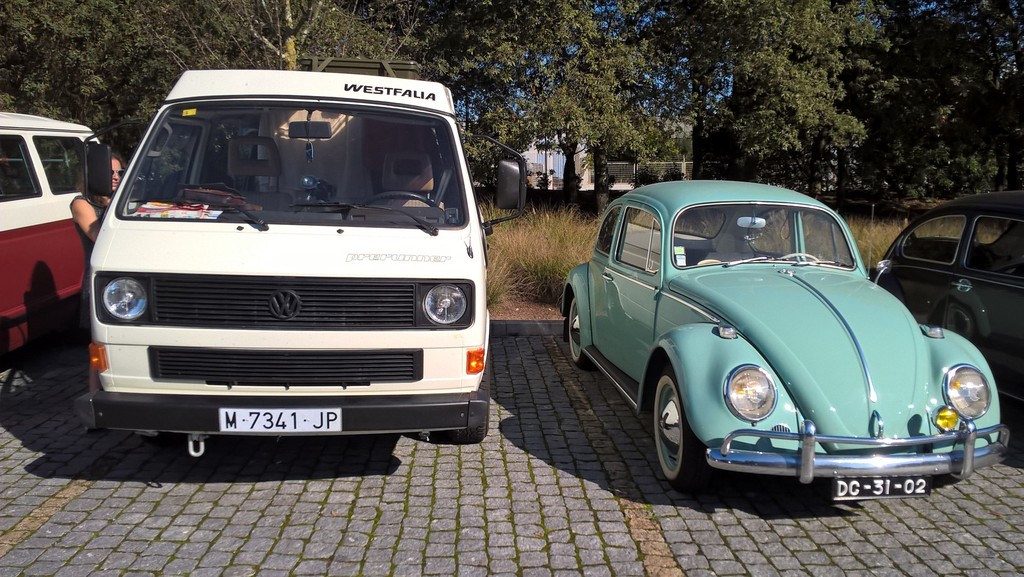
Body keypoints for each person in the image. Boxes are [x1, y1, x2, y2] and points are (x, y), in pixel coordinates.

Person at [70, 152, 122, 393]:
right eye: (109, 173)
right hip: (98, 280)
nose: (115, 177)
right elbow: (97, 235)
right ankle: (93, 398)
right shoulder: (81, 203)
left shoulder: (121, 201)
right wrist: (116, 207)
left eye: (119, 173)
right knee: (98, 344)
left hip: (123, 280)